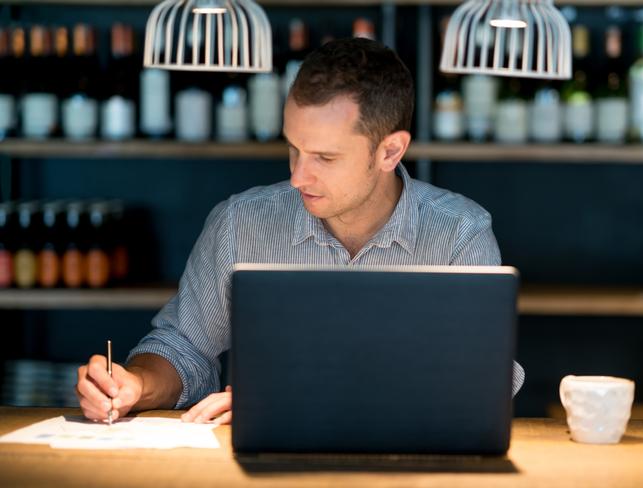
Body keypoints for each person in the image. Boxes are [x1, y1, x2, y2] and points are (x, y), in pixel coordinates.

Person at [76, 38, 525, 424]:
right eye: (293, 149)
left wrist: (287, 404)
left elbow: (482, 380)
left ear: (390, 151)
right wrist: (135, 383)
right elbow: (184, 348)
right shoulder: (240, 222)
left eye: (324, 158)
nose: (297, 177)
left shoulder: (460, 232)